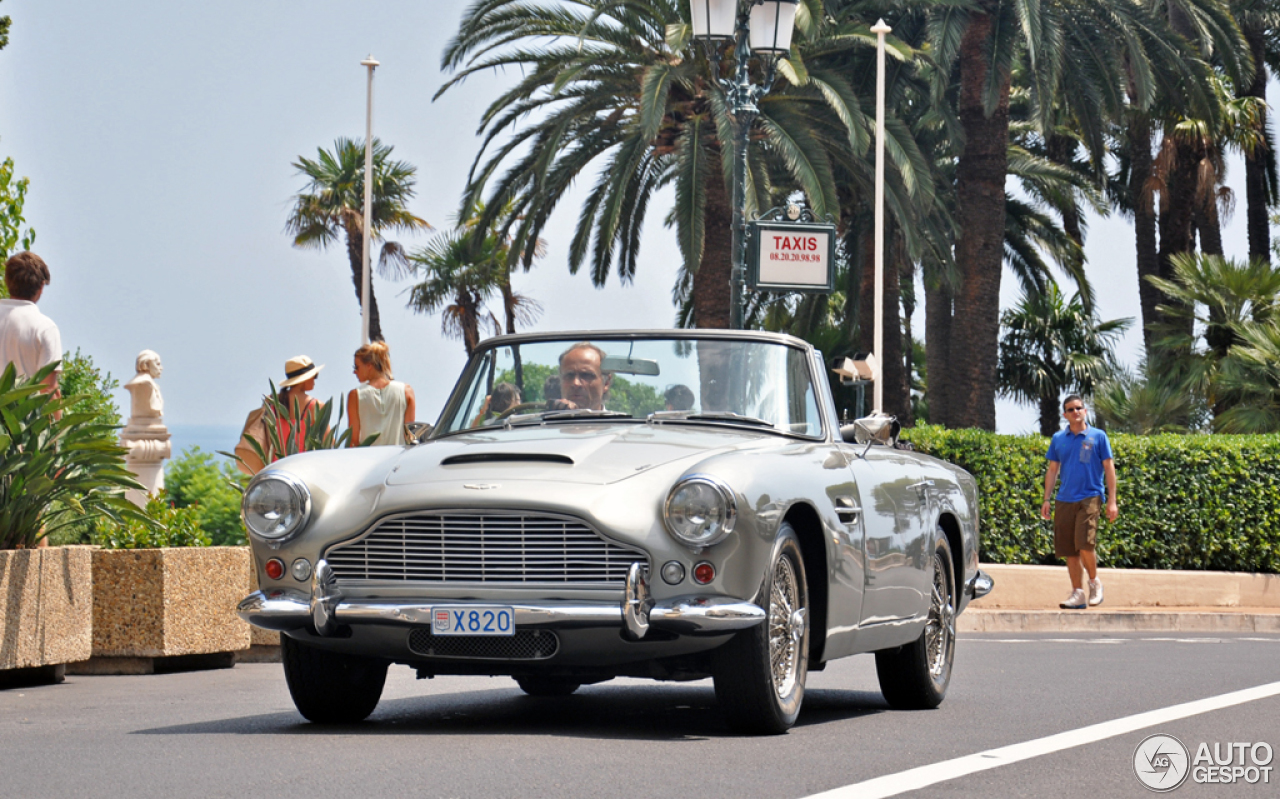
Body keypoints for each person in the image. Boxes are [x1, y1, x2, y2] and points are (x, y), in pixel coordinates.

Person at [1041, 394, 1118, 609]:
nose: (1076, 412)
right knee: (1069, 550)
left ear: (1085, 411)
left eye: (1079, 408)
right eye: (1071, 409)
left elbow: (1109, 468)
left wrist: (1112, 500)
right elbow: (1053, 469)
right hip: (1064, 499)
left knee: (1085, 543)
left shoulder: (1098, 436)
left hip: (1091, 496)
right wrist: (1046, 499)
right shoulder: (1058, 439)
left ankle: (1094, 582)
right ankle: (1078, 593)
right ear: (1065, 415)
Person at [1, 252, 61, 402]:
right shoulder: (45, 328)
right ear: (41, 286)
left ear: (7, 281)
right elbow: (48, 389)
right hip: (20, 423)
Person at [348, 341, 415, 446]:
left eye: (357, 367)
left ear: (369, 366)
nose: (354, 372)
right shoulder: (406, 391)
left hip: (369, 460)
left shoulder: (355, 396)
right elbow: (410, 437)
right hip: (397, 459)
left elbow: (353, 441)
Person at [275, 355, 323, 455]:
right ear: (305, 378)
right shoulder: (315, 405)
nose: (315, 380)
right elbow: (328, 441)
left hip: (275, 465)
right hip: (302, 465)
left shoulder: (272, 401)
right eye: (314, 376)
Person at [548, 342, 611, 411]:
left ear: (606, 383)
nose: (576, 383)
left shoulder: (618, 421)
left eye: (586, 375)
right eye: (569, 375)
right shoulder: (543, 421)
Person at [124, 350, 165, 420]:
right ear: (146, 364)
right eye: (157, 364)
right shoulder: (145, 383)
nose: (161, 368)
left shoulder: (150, 384)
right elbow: (154, 407)